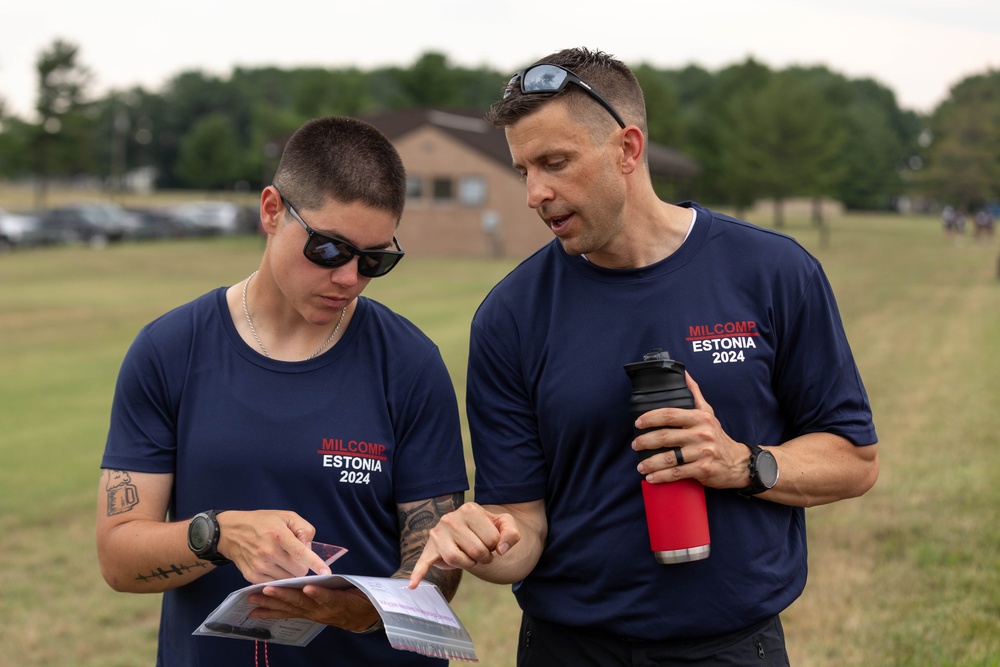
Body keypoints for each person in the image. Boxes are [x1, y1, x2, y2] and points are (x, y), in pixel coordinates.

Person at [410, 47, 879, 665]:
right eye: (523, 169)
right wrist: (487, 540)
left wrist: (742, 463)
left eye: (555, 163)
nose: (534, 193)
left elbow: (854, 460)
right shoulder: (510, 316)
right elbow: (523, 526)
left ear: (628, 149)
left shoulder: (773, 272)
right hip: (568, 648)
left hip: (734, 647)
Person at [96, 116, 468, 667]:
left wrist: (364, 612)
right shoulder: (170, 350)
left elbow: (435, 561)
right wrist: (217, 535)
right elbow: (118, 558)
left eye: (375, 261)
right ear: (271, 210)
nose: (349, 278)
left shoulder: (410, 363)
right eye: (328, 249)